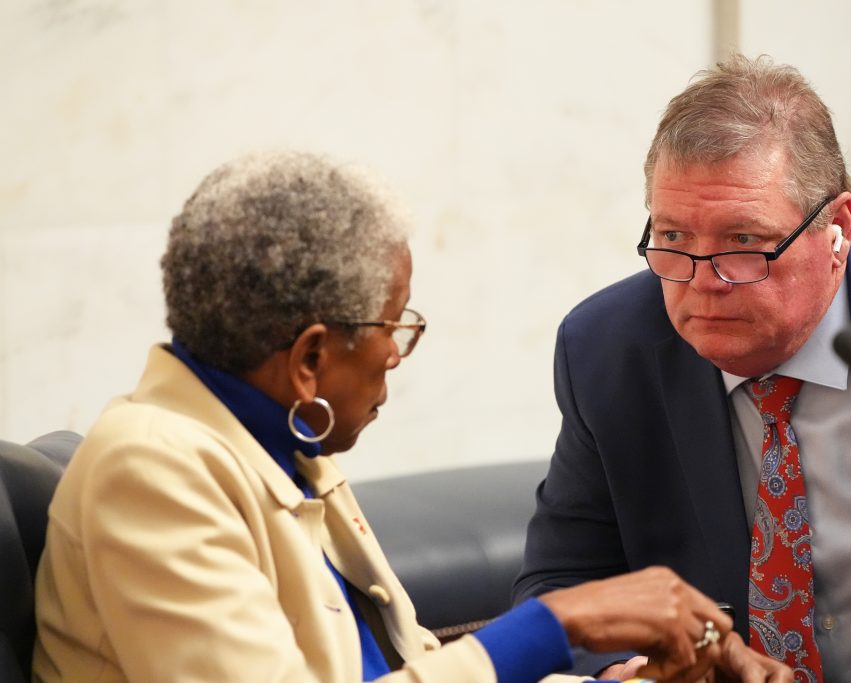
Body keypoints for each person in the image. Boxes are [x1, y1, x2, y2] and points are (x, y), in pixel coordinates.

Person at [32, 151, 790, 683]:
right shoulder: (150, 470)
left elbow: (403, 666)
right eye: (394, 326)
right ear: (310, 359)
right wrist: (557, 622)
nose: (397, 355)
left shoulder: (279, 446)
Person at [513, 54, 851, 683]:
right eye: (673, 238)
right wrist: (628, 671)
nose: (704, 282)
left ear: (836, 228)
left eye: (743, 242)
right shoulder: (610, 351)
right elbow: (562, 584)